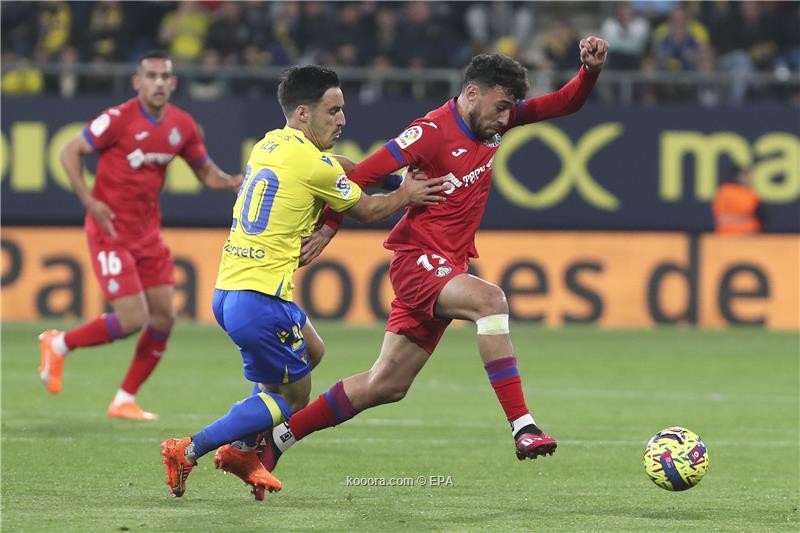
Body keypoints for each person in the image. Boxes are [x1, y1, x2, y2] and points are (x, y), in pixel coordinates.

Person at [225, 38, 610, 500]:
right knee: (491, 300)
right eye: (501, 106)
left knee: (385, 385)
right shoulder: (429, 131)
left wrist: (589, 71)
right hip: (417, 262)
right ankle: (523, 426)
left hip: (448, 263)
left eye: (511, 109)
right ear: (472, 94)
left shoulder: (494, 125)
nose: (507, 117)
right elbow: (360, 174)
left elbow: (565, 103)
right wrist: (329, 228)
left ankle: (275, 441)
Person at [159, 65, 446, 498]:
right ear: (303, 112)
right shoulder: (314, 166)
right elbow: (368, 211)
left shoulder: (269, 144)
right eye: (332, 110)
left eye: (342, 109)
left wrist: (386, 175)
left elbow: (338, 166)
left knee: (313, 350)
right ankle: (192, 448)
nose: (342, 119)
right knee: (293, 398)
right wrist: (405, 192)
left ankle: (242, 447)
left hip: (230, 290)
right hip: (261, 299)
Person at [38, 50, 244, 421]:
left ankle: (124, 399)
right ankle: (59, 343)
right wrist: (89, 200)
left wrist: (231, 182)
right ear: (137, 82)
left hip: (148, 233)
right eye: (151, 76)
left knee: (164, 317)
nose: (159, 83)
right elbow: (70, 151)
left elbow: (205, 171)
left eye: (165, 76)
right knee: (132, 318)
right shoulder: (118, 119)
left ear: (174, 83)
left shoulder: (182, 125)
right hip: (110, 230)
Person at [712, 165, 764, 234]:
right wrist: (744, 218)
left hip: (751, 233)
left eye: (749, 176)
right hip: (728, 234)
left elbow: (761, 215)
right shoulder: (726, 191)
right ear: (738, 176)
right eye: (745, 175)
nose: (749, 178)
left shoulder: (751, 193)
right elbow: (721, 218)